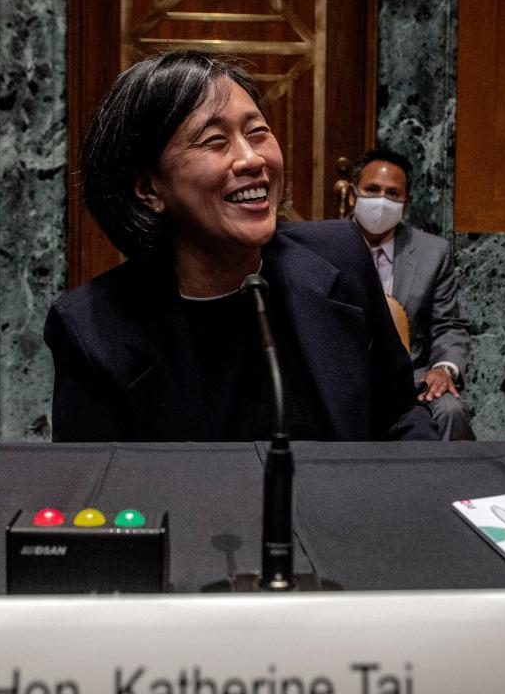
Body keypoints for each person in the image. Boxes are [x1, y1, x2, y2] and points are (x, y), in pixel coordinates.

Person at [44, 51, 436, 442]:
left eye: (257, 133)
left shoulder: (340, 255)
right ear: (149, 188)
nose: (251, 159)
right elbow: (102, 483)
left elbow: (400, 415)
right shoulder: (91, 330)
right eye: (215, 141)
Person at [346, 148, 476, 440]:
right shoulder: (322, 245)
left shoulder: (433, 252)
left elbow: (449, 325)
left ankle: (456, 485)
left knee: (450, 411)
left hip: (412, 382)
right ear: (354, 195)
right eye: (372, 190)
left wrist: (444, 369)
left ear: (406, 203)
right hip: (342, 378)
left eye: (393, 194)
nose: (381, 200)